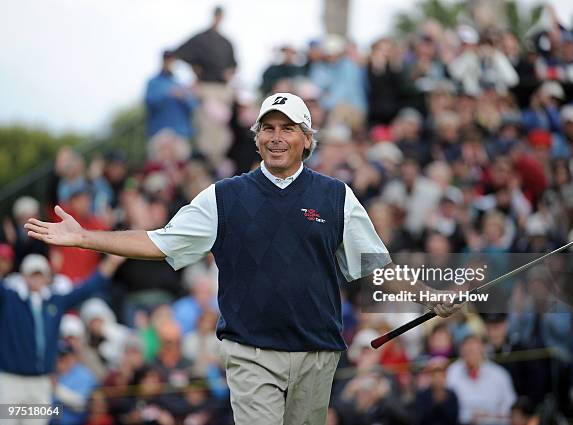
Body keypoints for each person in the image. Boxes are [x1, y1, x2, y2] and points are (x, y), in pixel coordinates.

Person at [25, 92, 456, 425]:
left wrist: (431, 295)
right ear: (256, 137)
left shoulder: (336, 196)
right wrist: (84, 237)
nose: (276, 136)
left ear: (307, 140)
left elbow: (378, 266)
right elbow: (160, 242)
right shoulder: (224, 196)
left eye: (288, 128)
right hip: (252, 352)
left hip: (317, 351)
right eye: (268, 127)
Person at [0, 254, 124, 425]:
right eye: (32, 274)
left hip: (41, 382)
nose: (36, 279)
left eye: (40, 274)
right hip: (11, 381)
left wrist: (111, 262)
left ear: (47, 277)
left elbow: (87, 288)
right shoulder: (10, 299)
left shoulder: (54, 301)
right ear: (24, 276)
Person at [173, 6, 237, 166]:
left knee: (222, 132)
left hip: (222, 90)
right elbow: (179, 52)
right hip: (206, 88)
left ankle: (219, 163)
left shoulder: (226, 42)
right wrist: (195, 67)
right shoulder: (200, 38)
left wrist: (229, 73)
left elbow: (234, 65)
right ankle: (207, 164)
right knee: (206, 129)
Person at [145, 50, 198, 141]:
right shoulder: (153, 82)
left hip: (180, 134)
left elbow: (193, 107)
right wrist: (169, 94)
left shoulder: (181, 83)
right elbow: (150, 103)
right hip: (159, 134)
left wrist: (184, 97)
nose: (170, 63)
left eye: (172, 61)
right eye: (167, 60)